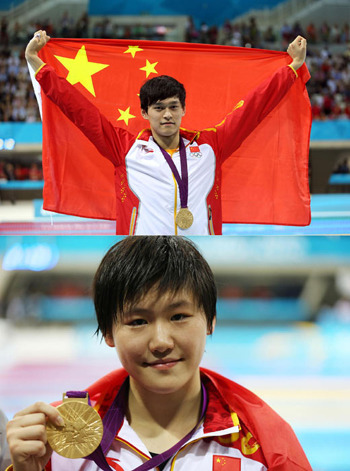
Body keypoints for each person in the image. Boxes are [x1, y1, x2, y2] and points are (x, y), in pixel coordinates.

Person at [6, 236, 312, 471]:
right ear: (109, 332)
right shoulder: (52, 442)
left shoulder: (267, 443)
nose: (161, 341)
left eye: (178, 316)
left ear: (211, 320)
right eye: (138, 321)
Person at [25, 31, 307, 235]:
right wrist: (37, 64)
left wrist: (292, 68)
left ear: (184, 109)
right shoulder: (124, 148)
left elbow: (254, 109)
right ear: (145, 114)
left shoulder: (211, 146)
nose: (168, 114)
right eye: (158, 108)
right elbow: (79, 109)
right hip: (140, 260)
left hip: (199, 257)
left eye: (173, 106)